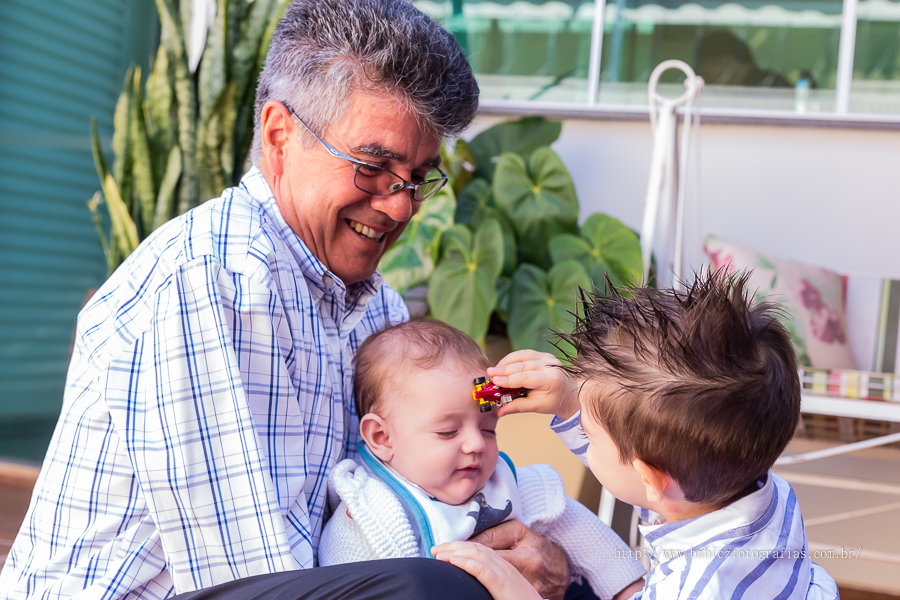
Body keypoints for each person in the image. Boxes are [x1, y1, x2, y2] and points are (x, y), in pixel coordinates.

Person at [0, 1, 568, 598]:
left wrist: (555, 424)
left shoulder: (378, 312)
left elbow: (453, 428)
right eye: (374, 165)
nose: (401, 205)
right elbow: (251, 573)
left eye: (417, 177)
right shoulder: (208, 284)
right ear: (279, 134)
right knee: (434, 587)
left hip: (296, 576)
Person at [433, 272, 839, 600]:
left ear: (652, 479)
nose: (584, 438)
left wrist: (518, 594)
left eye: (589, 435)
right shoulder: (760, 493)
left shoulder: (689, 590)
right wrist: (573, 404)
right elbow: (651, 486)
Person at [317, 319, 647, 600]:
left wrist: (629, 590)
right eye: (448, 432)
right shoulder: (367, 516)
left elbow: (585, 535)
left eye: (489, 428)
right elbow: (344, 585)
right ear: (381, 438)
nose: (475, 443)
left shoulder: (509, 483)